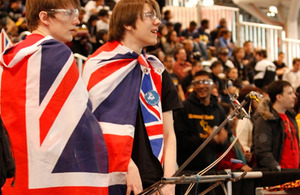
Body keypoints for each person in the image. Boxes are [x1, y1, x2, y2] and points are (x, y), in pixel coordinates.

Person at [0, 0, 109, 194]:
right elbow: (81, 121)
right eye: (69, 14)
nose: (77, 21)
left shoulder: (8, 56)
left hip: (14, 174)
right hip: (51, 177)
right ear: (44, 17)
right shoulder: (58, 54)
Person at [82, 0, 182, 194]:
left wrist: (169, 182)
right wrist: (126, 165)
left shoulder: (156, 71)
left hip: (156, 181)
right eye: (149, 16)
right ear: (127, 23)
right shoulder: (98, 66)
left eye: (157, 16)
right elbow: (92, 127)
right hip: (113, 176)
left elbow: (168, 134)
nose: (157, 22)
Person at [174, 70, 229, 171]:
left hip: (211, 169)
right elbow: (179, 139)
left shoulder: (218, 110)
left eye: (205, 82)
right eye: (197, 83)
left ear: (212, 85)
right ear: (193, 86)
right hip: (187, 170)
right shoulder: (184, 108)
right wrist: (206, 140)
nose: (201, 86)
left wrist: (222, 141)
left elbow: (225, 141)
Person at [253, 80, 299, 171]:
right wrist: (276, 168)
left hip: (294, 173)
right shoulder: (265, 121)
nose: (294, 96)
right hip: (278, 175)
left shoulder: (291, 118)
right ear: (279, 97)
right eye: (290, 93)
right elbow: (262, 151)